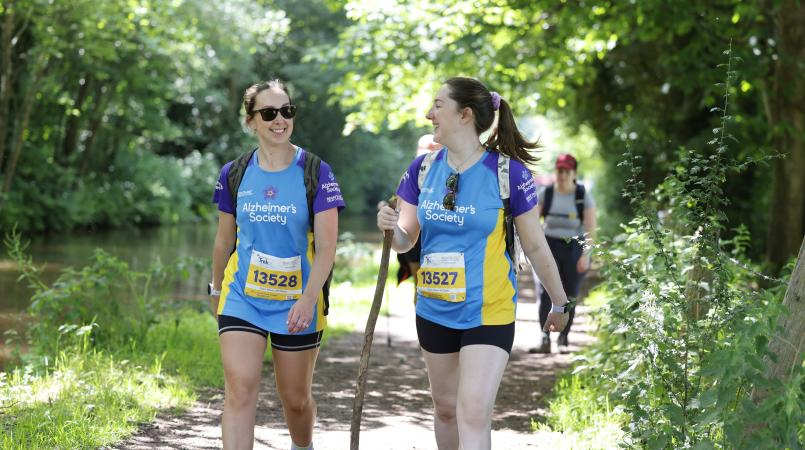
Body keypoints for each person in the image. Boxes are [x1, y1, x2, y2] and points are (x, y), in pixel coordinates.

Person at [376, 77, 572, 450]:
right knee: (446, 409)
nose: (428, 113)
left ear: (464, 115)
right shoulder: (422, 169)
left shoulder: (508, 174)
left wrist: (560, 303)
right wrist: (391, 228)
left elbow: (535, 245)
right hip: (433, 309)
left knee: (473, 411)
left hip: (489, 311)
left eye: (438, 105)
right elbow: (407, 239)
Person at [210, 79, 345, 450]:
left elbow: (328, 247)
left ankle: (303, 446)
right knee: (239, 389)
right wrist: (215, 289)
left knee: (296, 400)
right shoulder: (234, 174)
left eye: (287, 111)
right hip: (243, 296)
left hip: (298, 303)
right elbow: (224, 240)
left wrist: (307, 299)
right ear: (251, 121)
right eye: (269, 113)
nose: (280, 120)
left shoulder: (316, 172)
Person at [529, 153, 597, 354]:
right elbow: (532, 223)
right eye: (559, 170)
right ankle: (544, 338)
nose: (562, 174)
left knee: (570, 293)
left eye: (567, 171)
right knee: (545, 291)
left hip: (574, 247)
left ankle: (563, 338)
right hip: (548, 245)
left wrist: (586, 255)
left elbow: (591, 229)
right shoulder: (546, 193)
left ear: (574, 173)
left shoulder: (582, 195)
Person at [395, 134, 442, 295]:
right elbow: (398, 201)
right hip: (414, 238)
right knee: (419, 283)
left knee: (424, 283)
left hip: (433, 236)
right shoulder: (414, 171)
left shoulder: (444, 170)